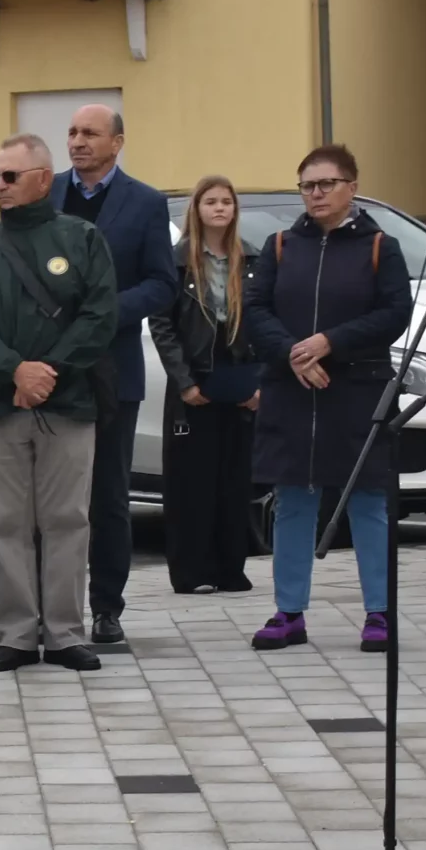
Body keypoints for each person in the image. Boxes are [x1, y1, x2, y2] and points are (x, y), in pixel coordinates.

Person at [0, 135, 119, 672]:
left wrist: (49, 372)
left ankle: (64, 633)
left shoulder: (81, 238)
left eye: (10, 176)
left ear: (43, 179)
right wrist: (14, 369)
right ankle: (17, 634)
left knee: (67, 520)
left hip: (67, 403)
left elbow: (99, 315)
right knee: (3, 524)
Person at [245, 144, 413, 653]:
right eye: (307, 186)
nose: (315, 194)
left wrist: (330, 342)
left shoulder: (380, 246)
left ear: (351, 188)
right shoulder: (279, 246)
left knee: (367, 502)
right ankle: (289, 612)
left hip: (356, 391)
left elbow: (394, 313)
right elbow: (254, 310)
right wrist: (294, 353)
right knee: (294, 501)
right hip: (292, 390)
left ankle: (379, 613)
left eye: (326, 184)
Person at [57, 105, 176, 645]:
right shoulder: (45, 192)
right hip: (50, 367)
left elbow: (161, 284)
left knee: (107, 497)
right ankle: (50, 607)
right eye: (72, 133)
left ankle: (107, 608)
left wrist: (105, 312)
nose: (78, 142)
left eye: (90, 133)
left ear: (117, 142)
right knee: (53, 499)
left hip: (113, 368)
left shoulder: (146, 203)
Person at [148, 175, 260, 596]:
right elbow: (162, 325)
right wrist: (184, 381)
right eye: (210, 201)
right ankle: (191, 571)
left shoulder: (252, 258)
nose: (219, 208)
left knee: (234, 479)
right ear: (196, 209)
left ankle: (231, 568)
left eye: (226, 202)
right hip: (194, 380)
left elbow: (266, 321)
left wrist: (259, 384)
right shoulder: (176, 262)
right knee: (191, 482)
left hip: (239, 378)